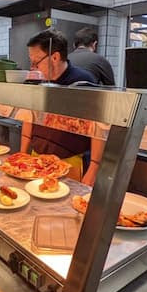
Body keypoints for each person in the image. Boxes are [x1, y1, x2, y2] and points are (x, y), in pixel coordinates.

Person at [19, 29, 104, 185]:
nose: (32, 67)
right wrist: (22, 156)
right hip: (35, 158)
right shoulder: (36, 81)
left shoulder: (83, 82)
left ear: (55, 57)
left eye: (36, 62)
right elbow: (28, 118)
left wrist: (93, 168)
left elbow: (97, 127)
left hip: (70, 162)